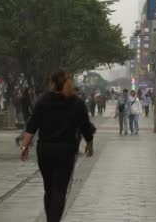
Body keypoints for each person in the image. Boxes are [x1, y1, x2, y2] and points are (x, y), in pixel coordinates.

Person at [20, 70, 95, 222]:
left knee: (49, 189)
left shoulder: (43, 101)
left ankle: (50, 219)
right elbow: (86, 126)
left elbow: (32, 126)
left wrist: (24, 146)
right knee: (60, 190)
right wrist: (89, 144)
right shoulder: (77, 102)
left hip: (45, 151)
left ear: (52, 83)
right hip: (66, 152)